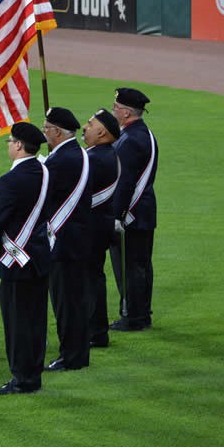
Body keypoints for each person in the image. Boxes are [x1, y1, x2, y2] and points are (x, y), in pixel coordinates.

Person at [0, 122, 51, 396]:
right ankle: (34, 375)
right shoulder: (42, 170)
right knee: (36, 320)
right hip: (40, 256)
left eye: (9, 141)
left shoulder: (13, 180)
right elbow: (18, 194)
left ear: (18, 145)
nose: (8, 144)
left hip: (17, 262)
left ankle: (21, 379)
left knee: (17, 323)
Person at [41, 107, 93, 371]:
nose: (44, 132)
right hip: (79, 238)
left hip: (63, 242)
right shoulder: (78, 153)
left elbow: (32, 192)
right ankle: (78, 354)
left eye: (47, 128)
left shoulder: (61, 161)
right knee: (76, 300)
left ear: (58, 132)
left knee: (66, 302)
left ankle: (71, 357)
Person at [109, 88, 159, 332]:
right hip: (144, 211)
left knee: (129, 267)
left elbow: (124, 183)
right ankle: (142, 312)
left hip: (130, 214)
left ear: (127, 113)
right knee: (141, 264)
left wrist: (116, 216)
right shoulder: (144, 134)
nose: (112, 111)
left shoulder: (129, 140)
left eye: (116, 107)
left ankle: (133, 316)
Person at [81, 109, 120, 349]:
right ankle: (96, 330)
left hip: (91, 227)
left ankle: (95, 332)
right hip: (99, 225)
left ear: (102, 131)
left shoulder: (96, 158)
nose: (85, 127)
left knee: (89, 279)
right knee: (93, 277)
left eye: (90, 123)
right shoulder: (102, 154)